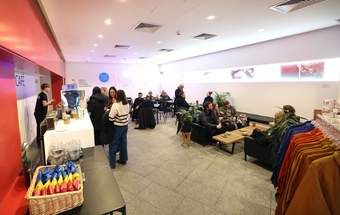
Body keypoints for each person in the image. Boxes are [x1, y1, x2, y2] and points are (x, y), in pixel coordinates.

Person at [109, 89, 129, 168]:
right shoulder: (127, 103)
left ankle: (112, 163)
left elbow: (111, 118)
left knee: (113, 144)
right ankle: (123, 159)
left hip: (117, 127)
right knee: (123, 143)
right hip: (125, 126)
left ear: (118, 95)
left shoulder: (115, 105)